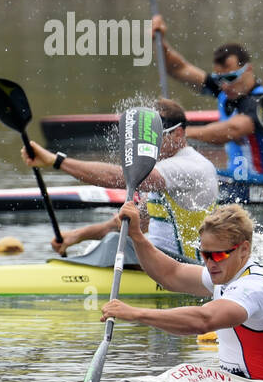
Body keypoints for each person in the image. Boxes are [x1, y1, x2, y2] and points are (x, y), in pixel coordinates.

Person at [100, 203, 263, 381]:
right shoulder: (226, 276)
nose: (211, 263)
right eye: (206, 255)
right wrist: (136, 235)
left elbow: (204, 320)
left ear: (244, 250)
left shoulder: (254, 287)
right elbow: (170, 274)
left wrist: (136, 313)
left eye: (219, 255)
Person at [21, 99, 218, 261]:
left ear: (179, 133)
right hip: (163, 265)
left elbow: (118, 177)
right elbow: (124, 225)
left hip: (187, 270)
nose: (151, 143)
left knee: (114, 245)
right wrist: (77, 236)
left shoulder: (191, 167)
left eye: (159, 136)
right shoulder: (163, 170)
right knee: (114, 240)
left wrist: (56, 161)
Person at [151, 15, 263, 181]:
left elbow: (231, 131)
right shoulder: (225, 89)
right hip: (238, 180)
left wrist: (179, 133)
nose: (225, 86)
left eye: (230, 78)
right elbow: (177, 69)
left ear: (248, 69)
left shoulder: (262, 102)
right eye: (220, 79)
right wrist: (159, 41)